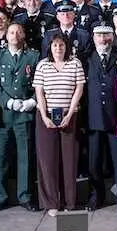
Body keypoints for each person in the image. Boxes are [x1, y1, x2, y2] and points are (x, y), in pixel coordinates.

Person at [33, 32, 86, 216]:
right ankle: (51, 203)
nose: (58, 48)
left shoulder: (75, 63)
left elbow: (79, 89)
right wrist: (44, 115)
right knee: (48, 161)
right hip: (46, 116)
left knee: (69, 160)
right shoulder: (42, 65)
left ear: (66, 47)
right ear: (49, 47)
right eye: (54, 45)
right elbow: (39, 92)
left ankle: (69, 201)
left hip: (68, 115)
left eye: (61, 45)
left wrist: (70, 114)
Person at [0, 23, 41, 212]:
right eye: (11, 32)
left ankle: (25, 196)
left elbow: (39, 83)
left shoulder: (33, 56)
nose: (15, 35)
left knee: (25, 157)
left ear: (24, 34)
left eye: (19, 31)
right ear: (6, 36)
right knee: (0, 157)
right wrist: (8, 102)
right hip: (3, 115)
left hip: (24, 114)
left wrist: (32, 101)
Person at [84, 22, 117, 211]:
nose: (103, 39)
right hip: (93, 119)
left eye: (106, 35)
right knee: (94, 162)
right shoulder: (85, 58)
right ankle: (97, 196)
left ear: (113, 37)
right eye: (99, 35)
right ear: (93, 38)